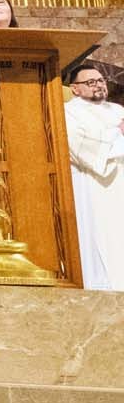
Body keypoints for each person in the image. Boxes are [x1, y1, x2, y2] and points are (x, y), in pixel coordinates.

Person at [65, 62, 123, 292]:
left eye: (100, 80)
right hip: (95, 184)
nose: (98, 85)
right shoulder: (69, 112)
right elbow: (82, 147)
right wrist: (117, 132)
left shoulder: (118, 110)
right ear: (75, 88)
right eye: (90, 82)